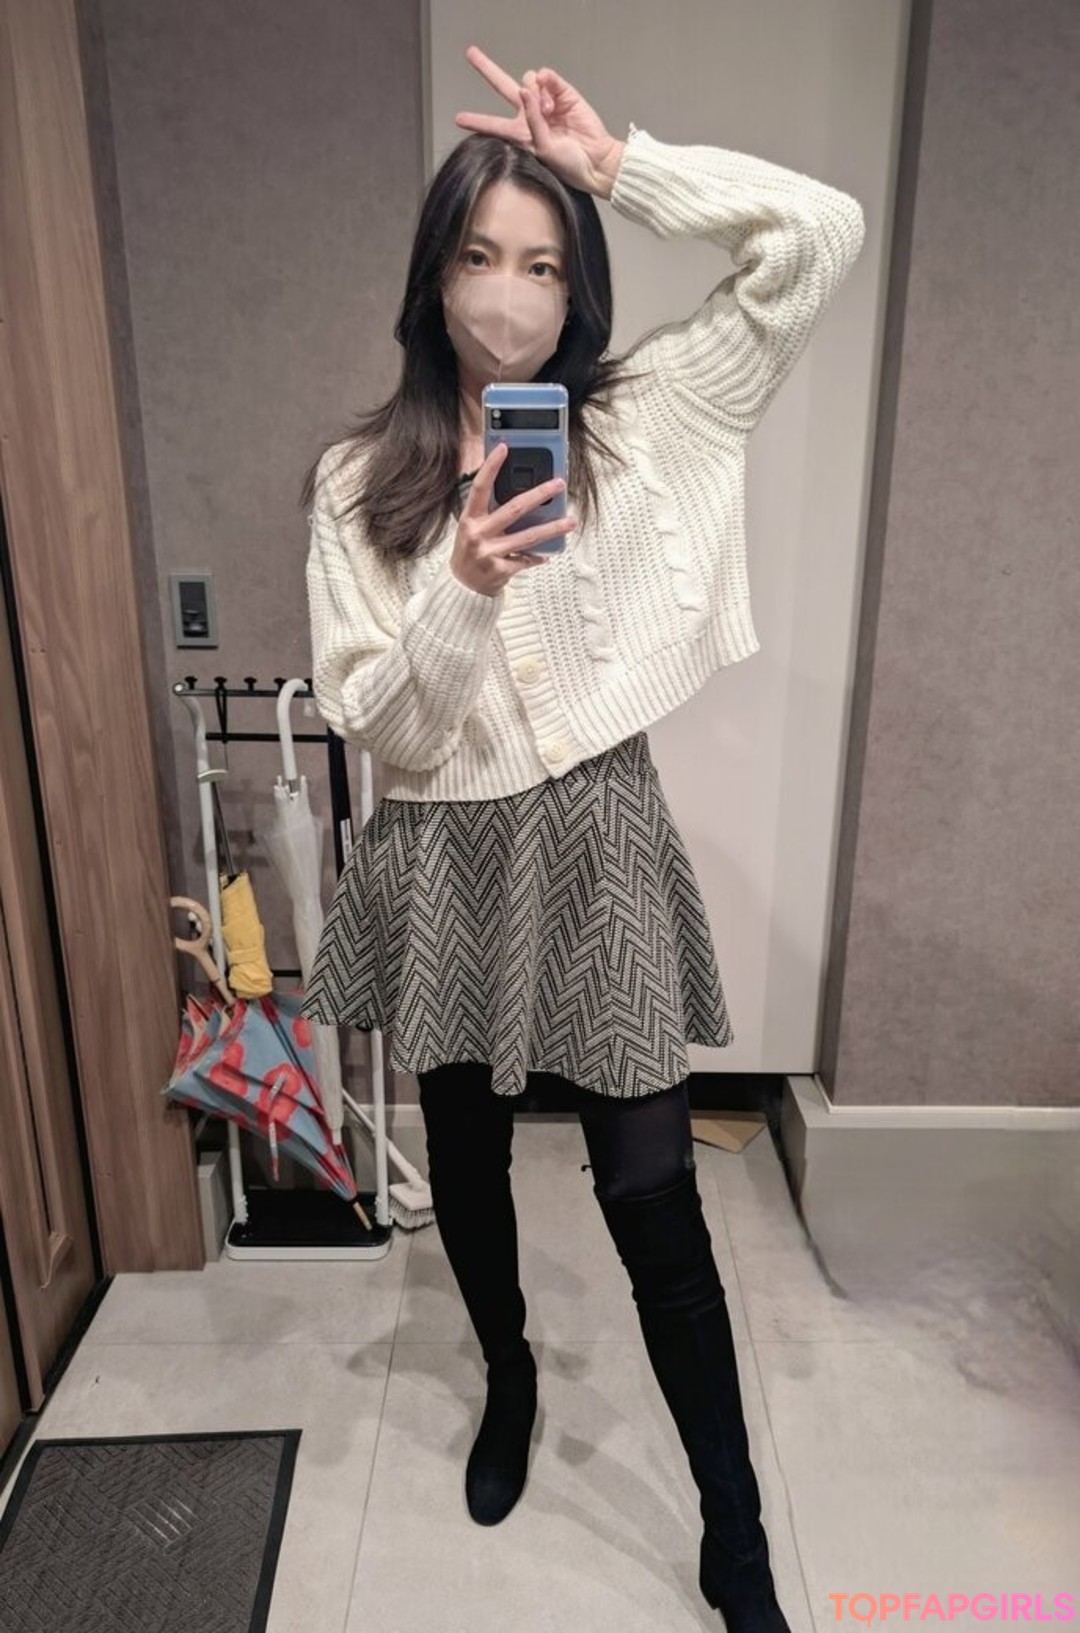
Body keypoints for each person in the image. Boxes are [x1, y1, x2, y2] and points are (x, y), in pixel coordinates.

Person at [301, 44, 864, 1632]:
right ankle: (507, 1374)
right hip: (440, 851)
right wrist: (465, 581)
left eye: (544, 263)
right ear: (434, 275)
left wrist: (625, 169)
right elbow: (383, 723)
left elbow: (820, 236)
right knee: (469, 1165)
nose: (510, 294)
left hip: (600, 829)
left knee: (649, 1191)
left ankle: (734, 1530)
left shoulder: (653, 413)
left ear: (579, 288)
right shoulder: (357, 482)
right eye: (482, 256)